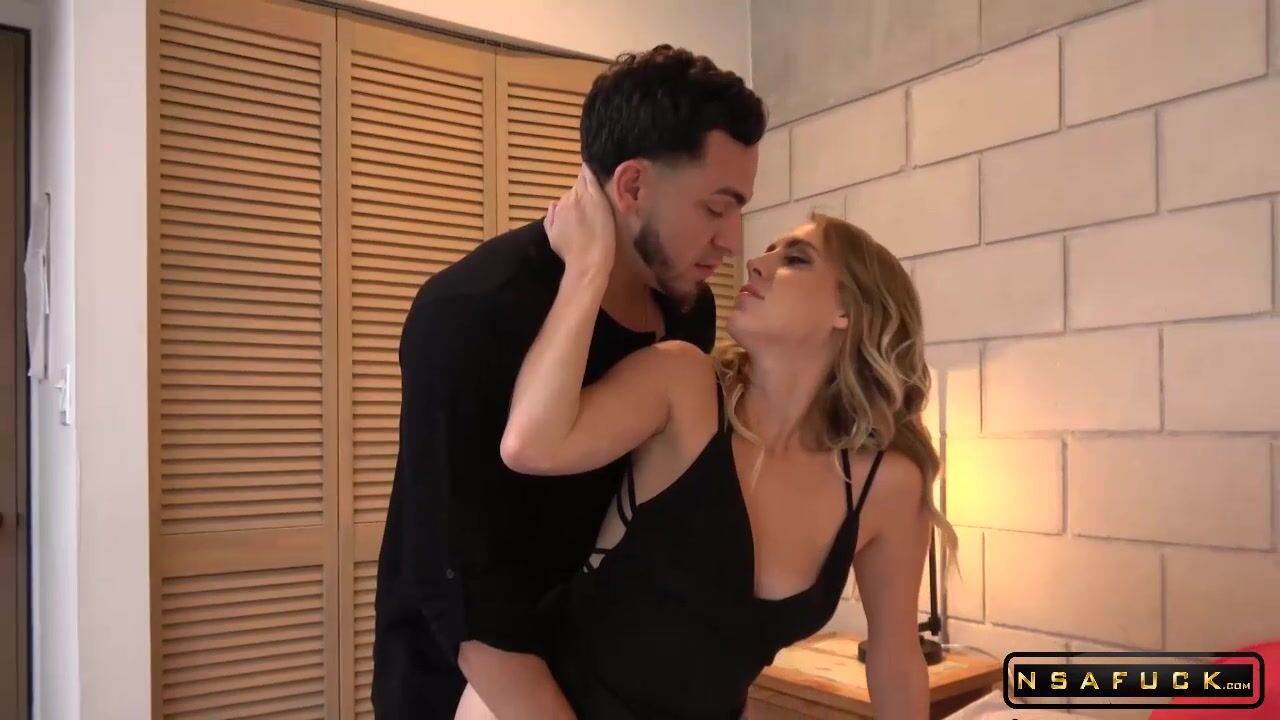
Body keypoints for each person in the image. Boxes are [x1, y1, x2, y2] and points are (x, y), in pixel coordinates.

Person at [468, 169, 958, 719]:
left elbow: (895, 657)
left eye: (796, 260)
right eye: (768, 252)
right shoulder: (684, 385)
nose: (756, 263)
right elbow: (530, 446)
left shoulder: (885, 485)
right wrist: (586, 270)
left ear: (848, 311)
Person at [371, 45, 766, 719]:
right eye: (714, 209)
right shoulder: (469, 312)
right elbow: (462, 584)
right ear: (632, 186)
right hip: (470, 684)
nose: (732, 240)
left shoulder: (686, 314)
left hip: (601, 667)